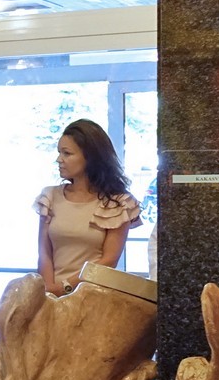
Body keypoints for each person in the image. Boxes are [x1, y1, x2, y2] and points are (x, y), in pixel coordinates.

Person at [34, 119, 142, 294]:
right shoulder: (50, 196)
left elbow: (109, 261)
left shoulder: (119, 203)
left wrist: (64, 287)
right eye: (59, 152)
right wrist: (48, 289)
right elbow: (44, 251)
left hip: (94, 297)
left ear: (90, 157)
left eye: (67, 153)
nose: (59, 159)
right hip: (51, 295)